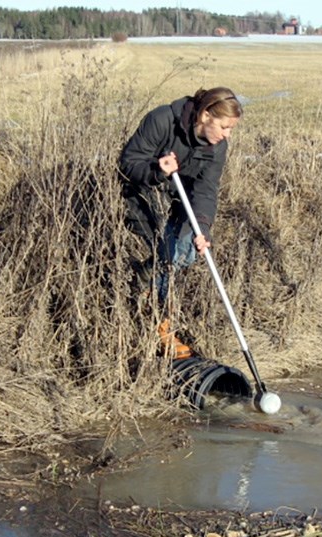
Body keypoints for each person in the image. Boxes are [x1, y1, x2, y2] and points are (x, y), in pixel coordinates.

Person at [118, 87, 242, 359]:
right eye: (224, 127)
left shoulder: (217, 146)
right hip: (141, 194)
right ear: (205, 115)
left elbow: (206, 190)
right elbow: (128, 163)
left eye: (231, 129)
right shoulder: (163, 119)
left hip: (178, 203)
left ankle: (145, 283)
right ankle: (157, 323)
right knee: (167, 251)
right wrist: (157, 171)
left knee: (186, 250)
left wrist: (203, 227)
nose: (226, 135)